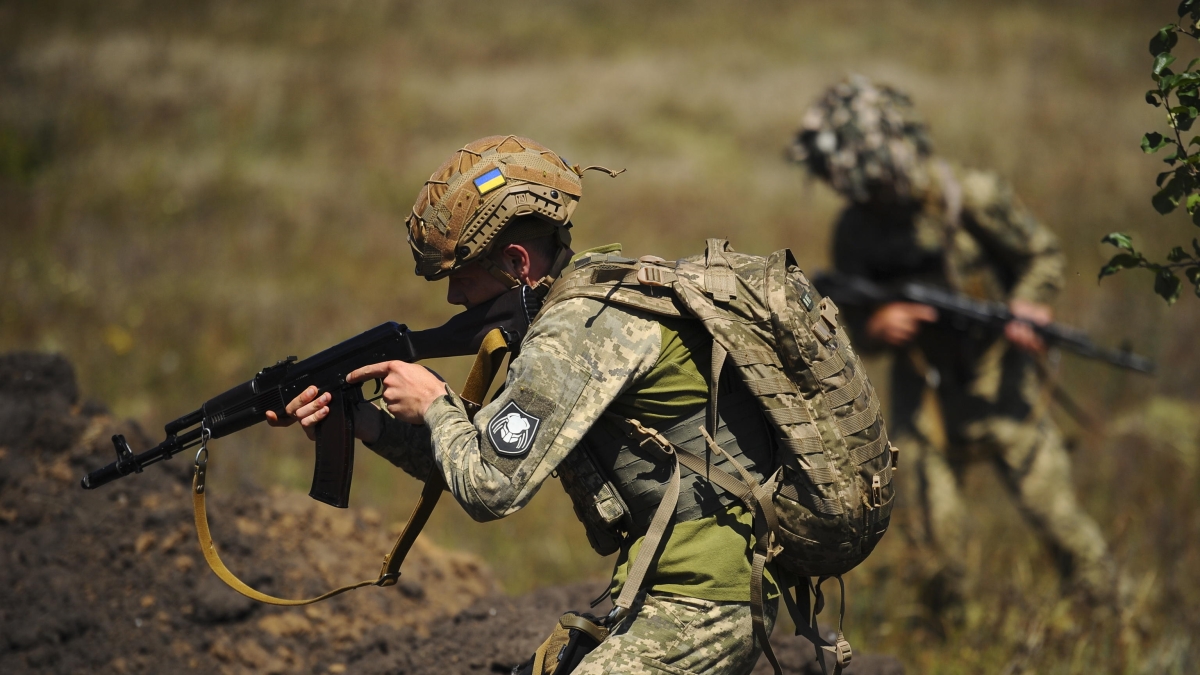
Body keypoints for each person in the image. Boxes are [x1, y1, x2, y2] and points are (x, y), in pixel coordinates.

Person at [267, 135, 779, 674]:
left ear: (516, 260)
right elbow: (477, 454)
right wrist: (368, 423)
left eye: (460, 278)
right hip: (671, 584)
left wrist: (437, 402)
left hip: (705, 600)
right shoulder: (581, 308)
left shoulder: (573, 336)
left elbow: (489, 488)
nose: (452, 299)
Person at [789, 76, 1118, 622]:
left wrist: (1031, 306)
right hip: (925, 393)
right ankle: (948, 637)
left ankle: (1110, 621)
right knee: (933, 539)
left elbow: (1044, 256)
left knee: (1056, 516)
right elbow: (844, 323)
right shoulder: (855, 230)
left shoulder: (972, 197)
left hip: (1001, 382)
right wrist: (879, 326)